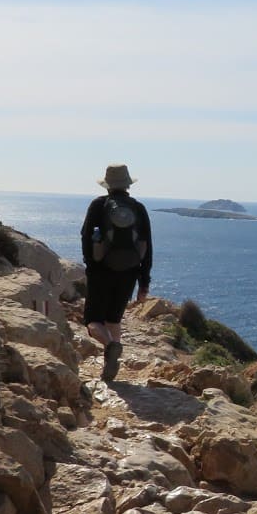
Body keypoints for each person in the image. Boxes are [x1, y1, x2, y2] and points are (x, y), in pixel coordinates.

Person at [80, 163, 152, 382]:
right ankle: (113, 356)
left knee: (93, 321)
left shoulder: (98, 205)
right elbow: (146, 245)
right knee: (114, 319)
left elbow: (85, 236)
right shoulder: (138, 208)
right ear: (128, 184)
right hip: (129, 271)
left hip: (101, 270)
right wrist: (144, 282)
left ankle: (111, 346)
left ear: (107, 185)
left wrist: (90, 265)